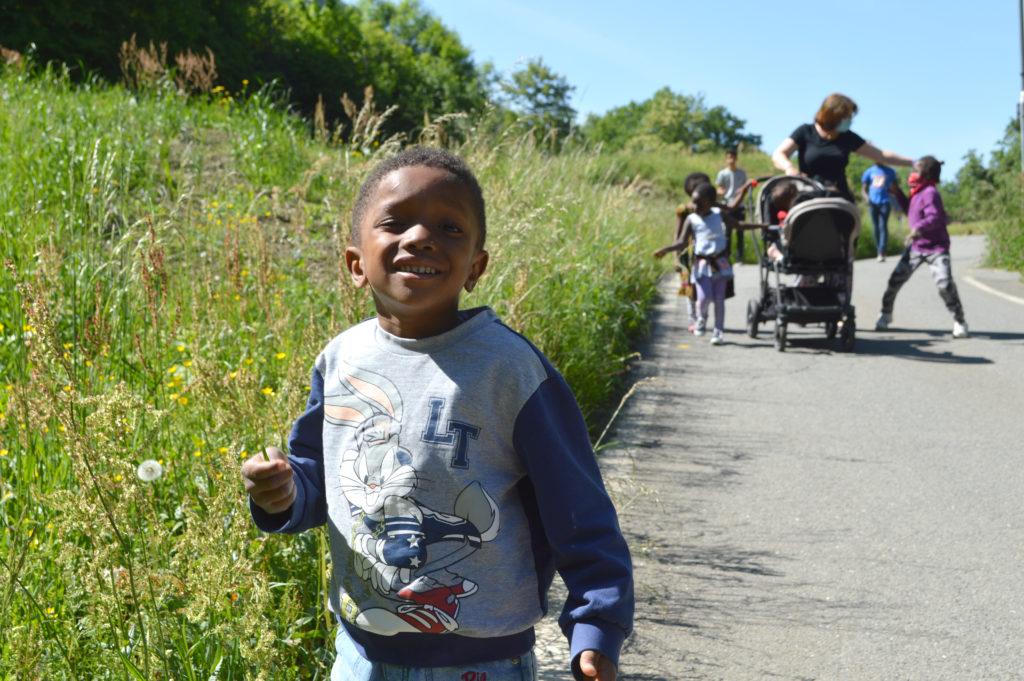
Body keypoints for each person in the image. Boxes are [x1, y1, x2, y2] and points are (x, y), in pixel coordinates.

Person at [241, 147, 634, 681]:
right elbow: (321, 478)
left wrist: (596, 626)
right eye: (396, 222)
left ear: (476, 266)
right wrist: (284, 493)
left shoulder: (510, 370)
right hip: (360, 654)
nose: (421, 237)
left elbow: (578, 509)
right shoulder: (341, 360)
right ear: (356, 263)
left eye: (449, 228)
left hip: (484, 660)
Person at [653, 182, 765, 345]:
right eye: (694, 203)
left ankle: (718, 332)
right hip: (701, 266)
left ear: (711, 202)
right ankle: (701, 318)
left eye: (699, 203)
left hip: (720, 263)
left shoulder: (719, 214)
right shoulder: (691, 219)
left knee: (719, 299)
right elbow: (682, 242)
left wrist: (761, 226)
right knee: (703, 298)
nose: (695, 207)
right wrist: (666, 250)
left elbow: (738, 225)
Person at [875, 156, 968, 338]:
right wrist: (898, 193)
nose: (912, 173)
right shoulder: (917, 192)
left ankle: (960, 321)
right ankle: (886, 314)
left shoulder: (930, 193)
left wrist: (919, 228)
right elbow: (910, 209)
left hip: (936, 247)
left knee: (944, 285)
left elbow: (935, 217)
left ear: (926, 173)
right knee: (895, 281)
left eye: (916, 170)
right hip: (917, 247)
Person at [771, 93, 913, 201]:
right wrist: (789, 168)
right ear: (832, 116)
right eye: (847, 117)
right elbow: (779, 154)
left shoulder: (847, 137)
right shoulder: (805, 131)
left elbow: (881, 155)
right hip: (809, 194)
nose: (850, 121)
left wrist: (914, 162)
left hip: (839, 197)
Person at [716, 147, 749, 262]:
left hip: (740, 206)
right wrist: (720, 191)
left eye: (733, 157)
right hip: (727, 205)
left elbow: (746, 186)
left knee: (740, 232)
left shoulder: (742, 173)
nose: (731, 160)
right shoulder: (722, 173)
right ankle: (727, 256)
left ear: (736, 158)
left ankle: (740, 258)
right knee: (727, 232)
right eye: (729, 157)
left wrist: (743, 190)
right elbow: (719, 187)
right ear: (726, 159)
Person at [861, 162, 898, 261]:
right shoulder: (869, 171)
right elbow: (863, 189)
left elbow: (896, 186)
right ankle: (878, 250)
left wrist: (891, 190)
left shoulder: (890, 171)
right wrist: (867, 198)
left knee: (883, 225)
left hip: (885, 202)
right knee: (876, 226)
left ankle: (882, 251)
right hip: (872, 203)